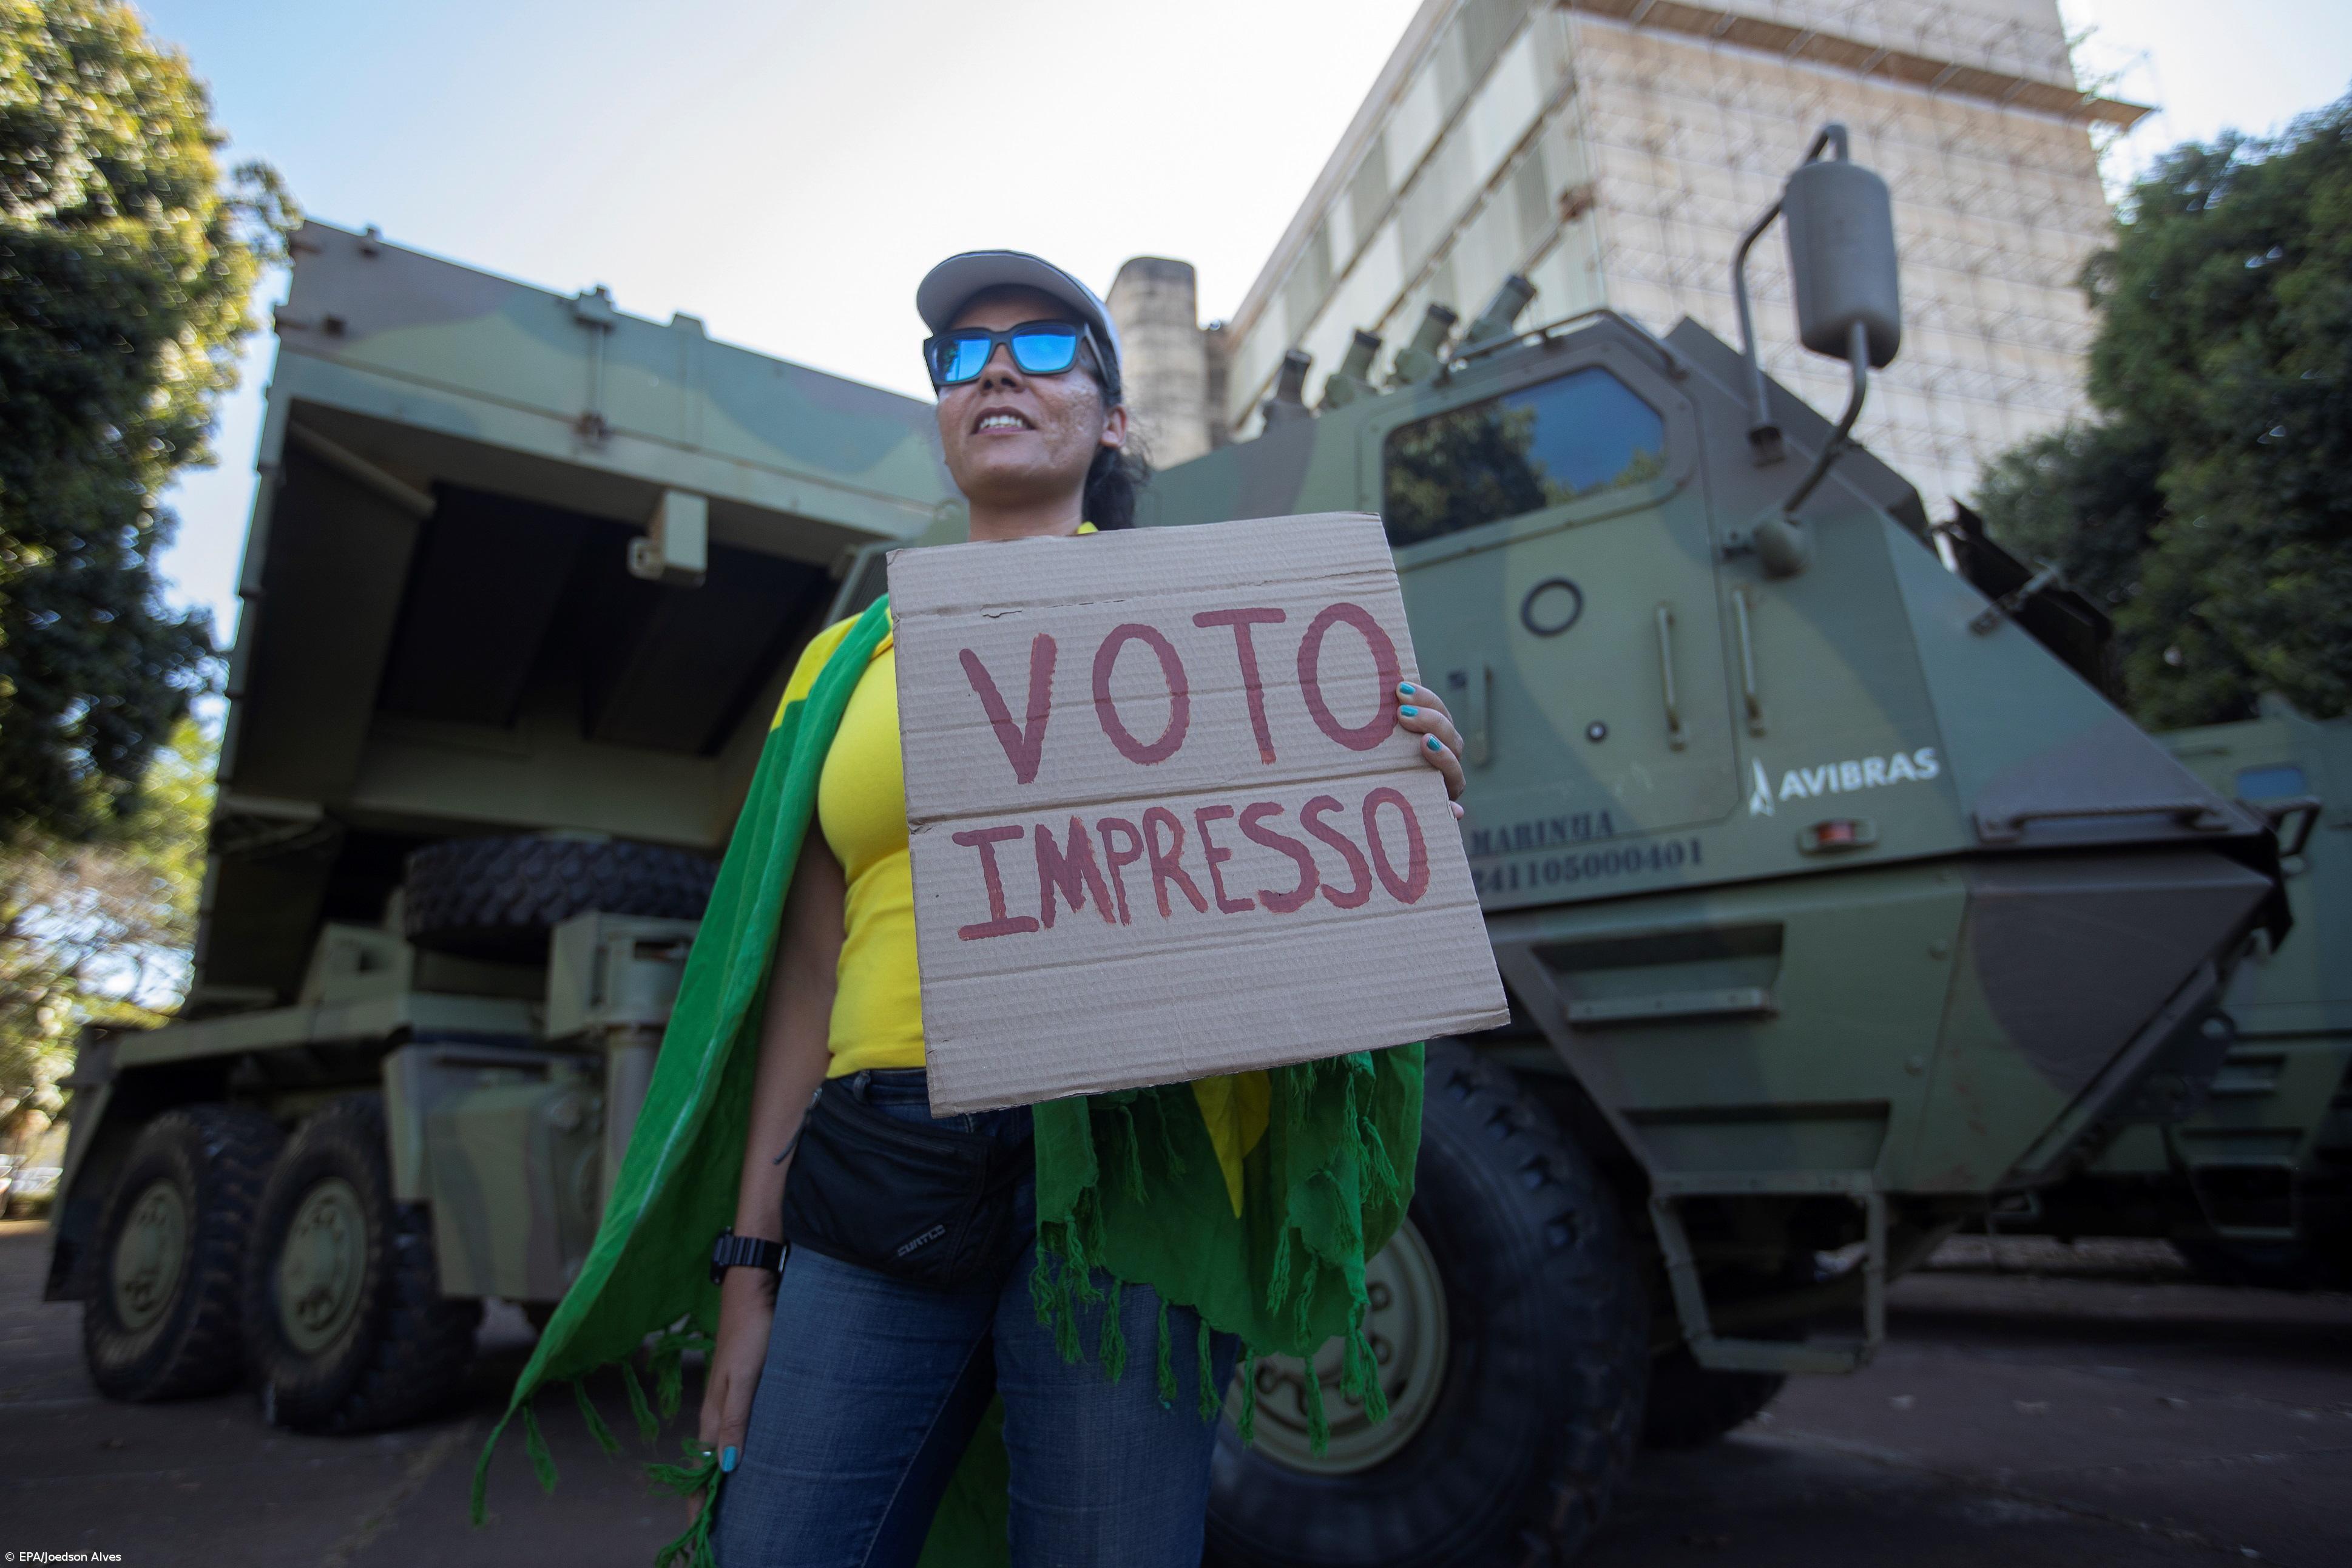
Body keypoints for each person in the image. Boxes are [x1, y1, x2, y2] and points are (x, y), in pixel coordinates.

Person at [479, 252, 1467, 1568]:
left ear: (1111, 420)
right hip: (884, 1164)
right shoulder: (844, 663)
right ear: (946, 417)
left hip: (1132, 1176)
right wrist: (746, 1268)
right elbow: (805, 972)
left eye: (1046, 346)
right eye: (961, 355)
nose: (995, 367)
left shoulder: (1230, 630)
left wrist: (1389, 791)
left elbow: (1297, 906)